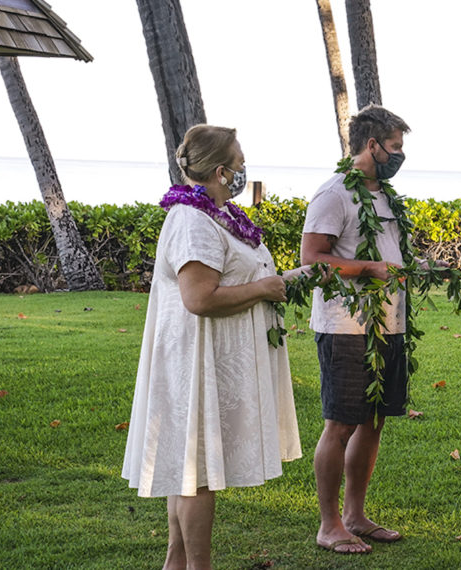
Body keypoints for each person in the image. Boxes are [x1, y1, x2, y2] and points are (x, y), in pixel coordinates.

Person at [122, 124, 303, 569]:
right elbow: (199, 298)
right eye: (239, 164)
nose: (243, 170)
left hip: (212, 359)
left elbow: (240, 276)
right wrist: (263, 289)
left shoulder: (214, 216)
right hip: (194, 361)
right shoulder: (192, 221)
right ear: (221, 171)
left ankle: (176, 563)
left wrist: (286, 281)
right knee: (195, 475)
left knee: (190, 470)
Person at [300, 104, 412, 554]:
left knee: (373, 421)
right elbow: (312, 259)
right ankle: (329, 525)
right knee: (341, 423)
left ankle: (355, 515)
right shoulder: (333, 194)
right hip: (345, 325)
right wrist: (366, 268)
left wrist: (418, 267)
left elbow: (390, 255)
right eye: (396, 147)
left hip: (389, 323)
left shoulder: (384, 195)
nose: (401, 155)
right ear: (372, 145)